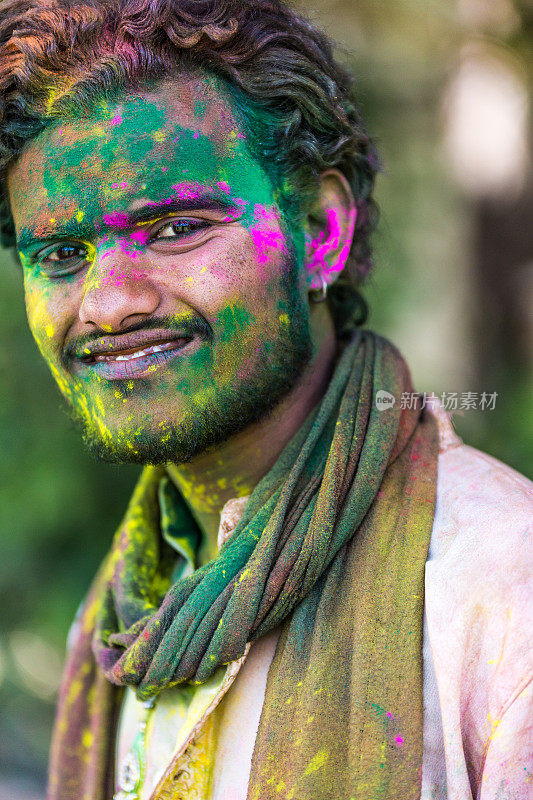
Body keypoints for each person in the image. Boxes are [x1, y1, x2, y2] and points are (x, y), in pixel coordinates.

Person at [0, 0, 531, 798]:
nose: (108, 305)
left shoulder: (498, 592)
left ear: (319, 230)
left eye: (175, 228)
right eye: (63, 253)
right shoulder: (120, 617)